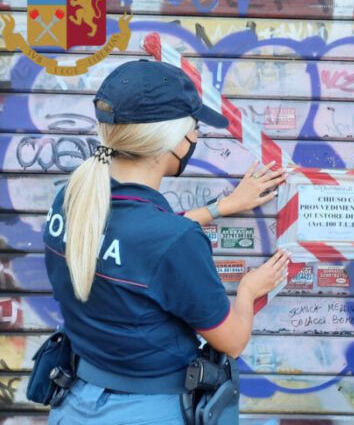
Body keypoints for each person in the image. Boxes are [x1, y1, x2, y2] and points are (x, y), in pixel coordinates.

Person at [43, 59, 289, 424]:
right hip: (146, 411)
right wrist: (250, 290)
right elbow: (233, 341)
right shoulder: (175, 242)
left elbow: (138, 245)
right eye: (195, 129)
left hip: (75, 404)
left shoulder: (70, 200)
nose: (195, 138)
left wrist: (221, 208)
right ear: (173, 141)